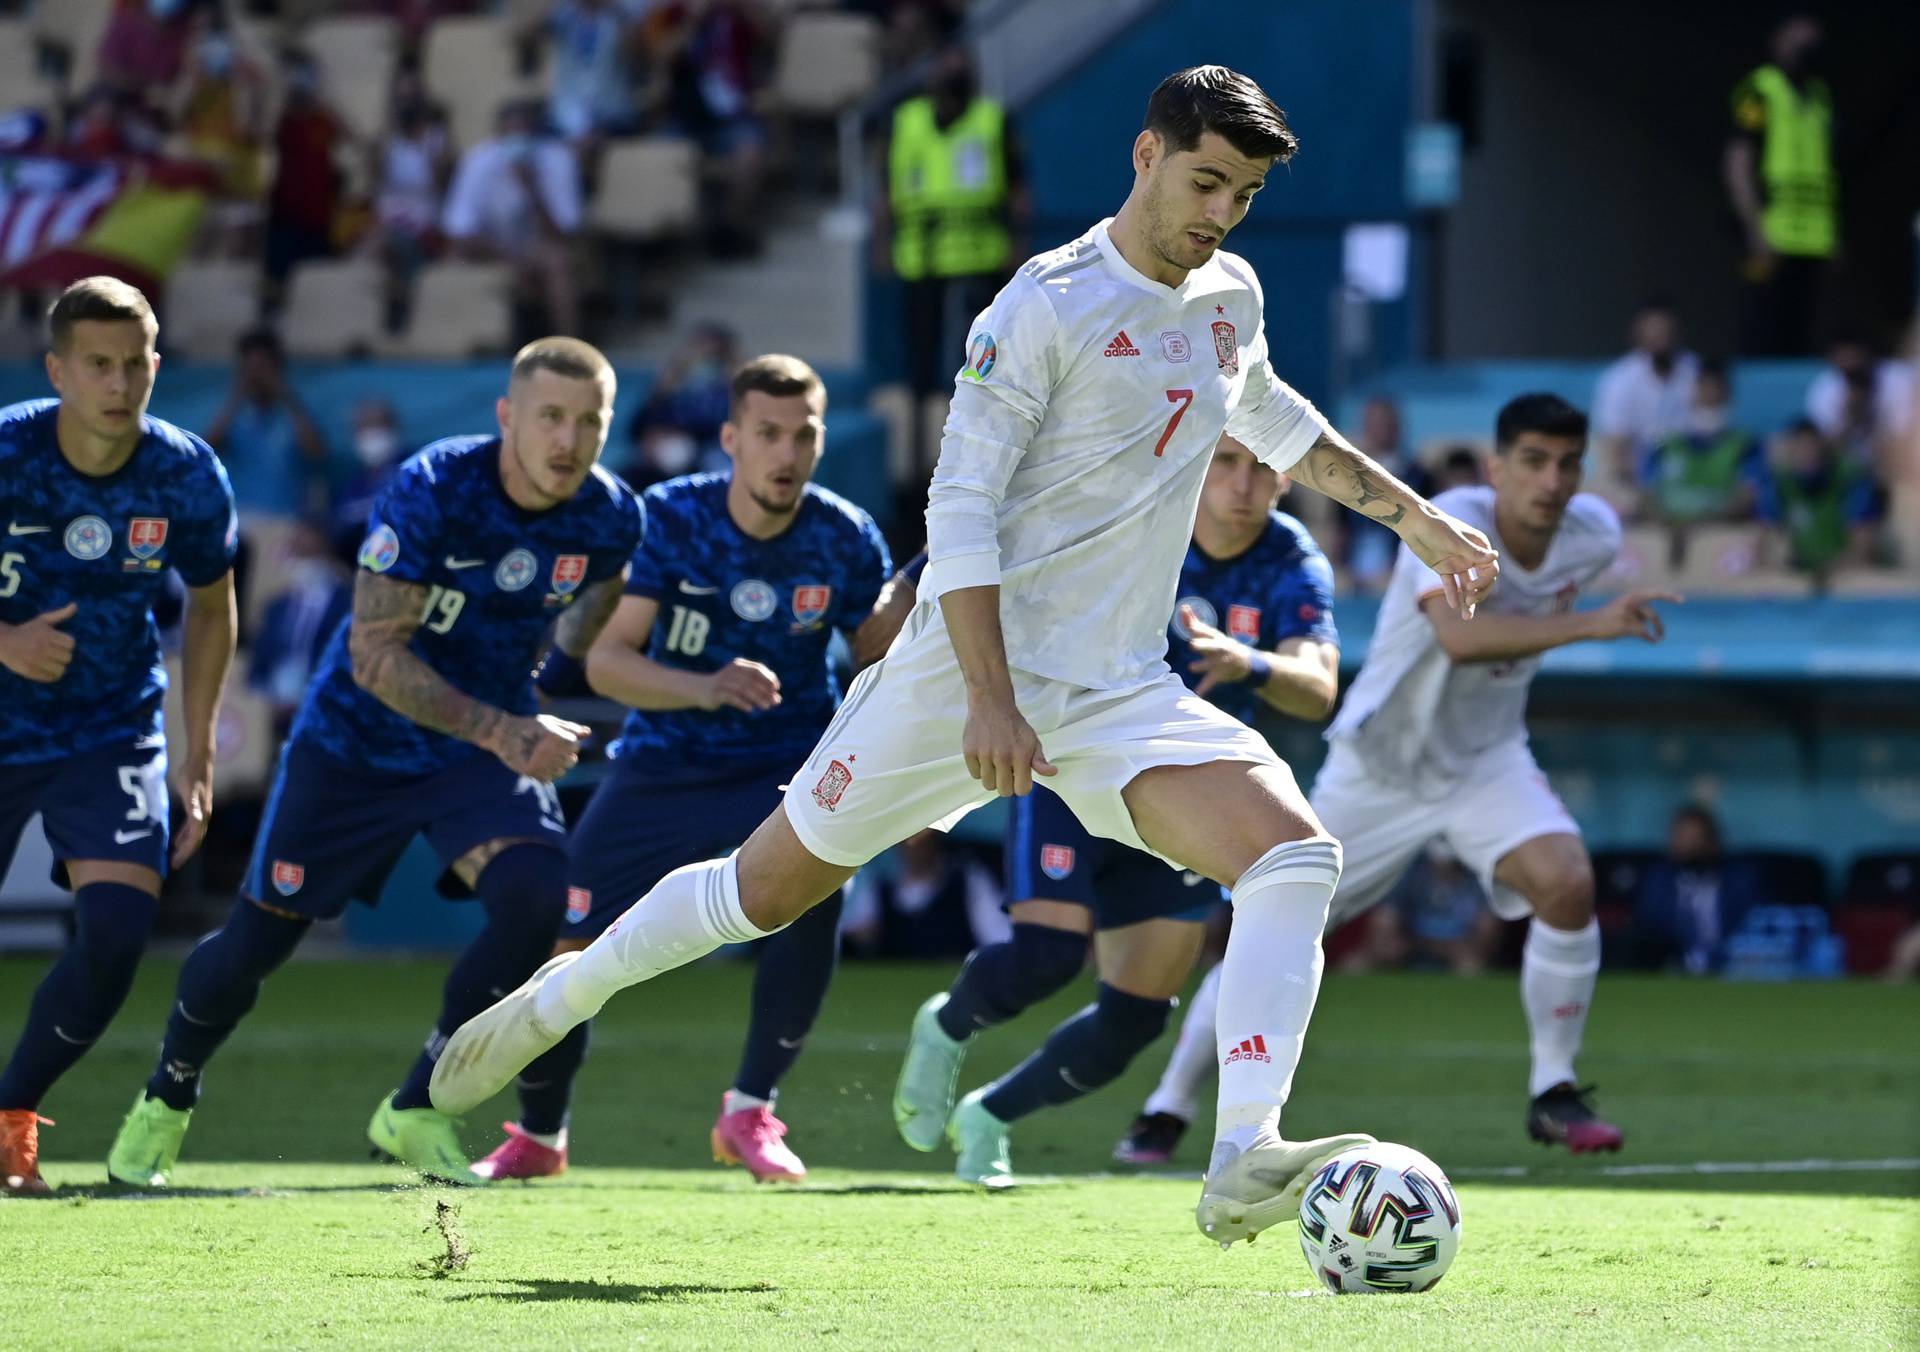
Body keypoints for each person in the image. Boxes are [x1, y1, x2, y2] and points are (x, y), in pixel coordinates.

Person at [432, 66, 1499, 1247]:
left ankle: (1244, 1147)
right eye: (1206, 181)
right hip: (957, 672)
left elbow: (1271, 415)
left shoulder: (1227, 293)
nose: (1219, 214)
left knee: (1294, 855)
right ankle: (561, 993)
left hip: (1116, 682)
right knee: (762, 892)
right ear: (1145, 155)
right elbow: (962, 510)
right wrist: (991, 700)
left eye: (1242, 195)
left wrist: (1418, 518)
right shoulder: (1040, 306)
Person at [105, 338, 643, 1189]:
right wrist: (507, 728)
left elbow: (584, 627)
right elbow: (374, 655)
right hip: (355, 743)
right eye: (549, 417)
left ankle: (417, 1105)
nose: (568, 441)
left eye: (589, 422)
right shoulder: (435, 488)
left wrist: (546, 694)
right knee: (254, 945)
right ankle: (166, 1097)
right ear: (507, 416)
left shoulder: (613, 517)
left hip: (474, 753)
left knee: (538, 899)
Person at [468, 354, 894, 1185]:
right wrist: (706, 686)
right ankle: (540, 1137)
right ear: (731, 439)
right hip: (664, 768)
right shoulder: (668, 517)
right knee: (572, 937)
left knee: (814, 905)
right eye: (767, 434)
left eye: (803, 435)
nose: (786, 453)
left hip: (787, 768)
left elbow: (883, 657)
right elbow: (605, 662)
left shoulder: (845, 536)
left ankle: (750, 1113)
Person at [891, 433, 1342, 1187]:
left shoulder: (1291, 560)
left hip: (1189, 793)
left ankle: (990, 1116)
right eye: (1224, 462)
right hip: (1076, 768)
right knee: (1049, 954)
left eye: (1261, 468)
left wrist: (1250, 662)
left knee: (1136, 1016)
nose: (1241, 484)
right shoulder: (1143, 514)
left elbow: (1318, 686)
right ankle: (943, 1028)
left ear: (1286, 479)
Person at [1234, 394, 1668, 1156]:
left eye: (1569, 464)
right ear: (1498, 467)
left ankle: (1554, 1091)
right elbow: (1463, 638)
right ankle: (1169, 1103)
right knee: (1279, 925)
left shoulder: (1593, 538)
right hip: (1381, 766)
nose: (1552, 481)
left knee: (1567, 883)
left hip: (1484, 760)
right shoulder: (1446, 520)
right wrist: (1592, 623)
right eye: (1533, 461)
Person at [0, 277, 239, 1196]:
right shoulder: (10, 449)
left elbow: (213, 606)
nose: (119, 380)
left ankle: (13, 1112)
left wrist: (199, 747)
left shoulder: (183, 472)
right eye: (97, 363)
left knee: (117, 928)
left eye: (135, 361)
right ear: (57, 369)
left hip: (111, 729)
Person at [877, 45, 1030, 478]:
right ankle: (918, 457)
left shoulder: (992, 119)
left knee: (975, 360)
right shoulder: (907, 122)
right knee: (920, 365)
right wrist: (883, 241)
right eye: (945, 66)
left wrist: (1018, 244)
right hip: (920, 258)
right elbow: (887, 185)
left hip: (980, 256)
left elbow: (1018, 187)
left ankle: (974, 451)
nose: (952, 75)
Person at [1725, 15, 1836, 357]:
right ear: (1778, 39)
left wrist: (1835, 233)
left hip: (1813, 237)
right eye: (1797, 36)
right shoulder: (1761, 89)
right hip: (1772, 230)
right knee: (1762, 328)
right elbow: (1738, 159)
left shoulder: (1820, 95)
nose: (1806, 46)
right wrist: (1754, 226)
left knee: (1800, 333)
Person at [442, 100, 583, 338]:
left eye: (524, 133)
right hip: (491, 250)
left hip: (538, 251)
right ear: (498, 135)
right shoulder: (478, 162)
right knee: (452, 261)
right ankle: (461, 343)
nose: (517, 140)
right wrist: (505, 260)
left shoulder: (559, 160)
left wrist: (532, 189)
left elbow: (563, 234)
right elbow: (459, 232)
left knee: (558, 262)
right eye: (511, 134)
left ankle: (568, 348)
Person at [1623, 805, 1765, 975]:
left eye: (1693, 838)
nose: (1685, 845)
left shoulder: (1739, 879)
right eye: (1680, 837)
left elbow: (1755, 925)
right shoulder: (1658, 880)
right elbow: (1649, 925)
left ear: (1712, 841)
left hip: (1732, 968)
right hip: (1672, 970)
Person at [205, 329, 330, 519]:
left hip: (287, 518)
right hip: (241, 515)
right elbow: (206, 450)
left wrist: (286, 396)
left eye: (262, 367)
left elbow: (316, 452)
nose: (256, 375)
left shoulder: (296, 412)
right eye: (249, 368)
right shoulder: (234, 414)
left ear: (278, 368)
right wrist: (236, 398)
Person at [1639, 359, 1767, 526]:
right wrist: (1669, 528)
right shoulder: (1663, 446)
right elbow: (1645, 496)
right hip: (1669, 538)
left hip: (1718, 539)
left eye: (1717, 388)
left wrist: (1699, 526)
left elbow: (1747, 497)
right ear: (1692, 392)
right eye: (1704, 387)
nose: (1710, 395)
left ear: (1728, 394)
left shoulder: (1747, 447)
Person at [620, 322, 739, 489]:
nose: (705, 360)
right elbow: (637, 427)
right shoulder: (672, 391)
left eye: (715, 355)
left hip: (707, 462)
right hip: (659, 467)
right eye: (699, 352)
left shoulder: (727, 395)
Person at [1593, 300, 1698, 485]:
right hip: (1637, 474)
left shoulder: (1696, 371)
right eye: (1653, 331)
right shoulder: (1619, 379)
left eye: (1666, 330)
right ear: (1638, 334)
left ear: (1678, 332)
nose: (1661, 338)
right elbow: (1615, 444)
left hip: (1691, 469)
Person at [1762, 417, 1881, 577]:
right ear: (1790, 452)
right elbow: (1765, 545)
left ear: (1823, 447)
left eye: (1812, 446)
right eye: (1799, 448)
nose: (1808, 455)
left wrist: (1827, 569)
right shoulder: (1779, 484)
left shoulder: (1850, 480)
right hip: (1799, 575)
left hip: (1844, 578)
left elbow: (1862, 551)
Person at [1805, 337, 1914, 472]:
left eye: (1858, 371)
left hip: (1899, 467)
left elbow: (1906, 441)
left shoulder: (1901, 380)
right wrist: (1850, 419)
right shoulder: (1824, 390)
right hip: (1851, 474)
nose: (1854, 379)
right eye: (1847, 372)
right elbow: (1822, 451)